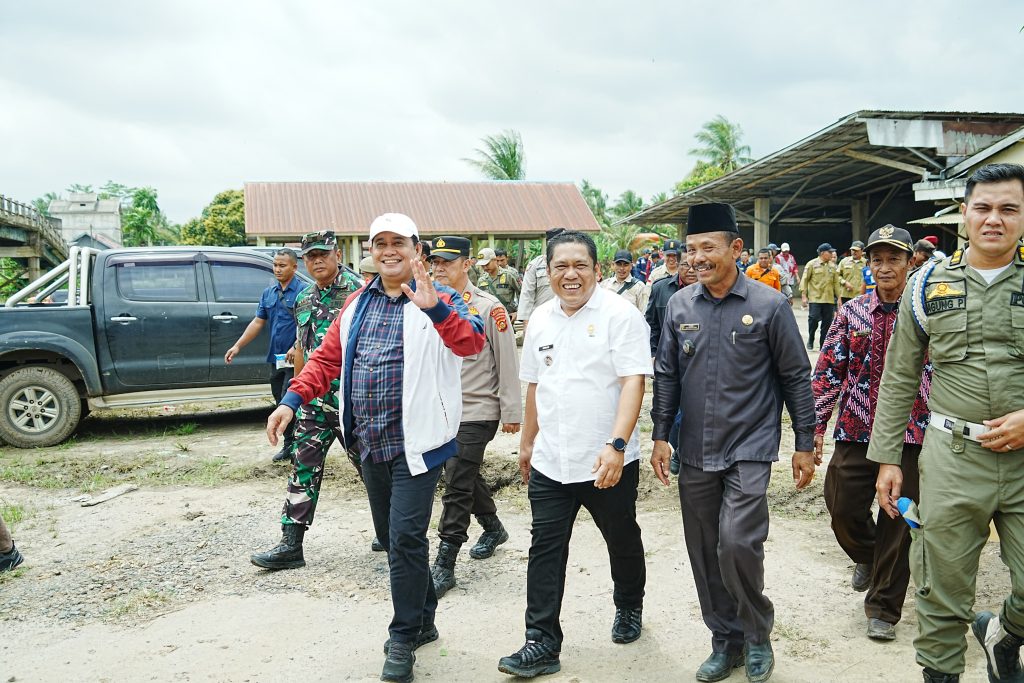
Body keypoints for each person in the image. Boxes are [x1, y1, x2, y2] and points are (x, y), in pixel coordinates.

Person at [266, 213, 485, 683]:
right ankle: (424, 618)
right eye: (379, 242)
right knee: (393, 538)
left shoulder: (441, 297)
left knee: (405, 538)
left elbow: (473, 345)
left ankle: (402, 637)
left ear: (416, 249)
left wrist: (436, 311)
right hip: (369, 442)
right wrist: (291, 399)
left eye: (398, 242)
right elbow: (326, 359)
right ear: (369, 249)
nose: (389, 250)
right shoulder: (356, 304)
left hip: (418, 444)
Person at [867, 163, 1024, 683]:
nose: (994, 219)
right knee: (941, 585)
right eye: (983, 207)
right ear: (964, 214)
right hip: (954, 459)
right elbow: (899, 376)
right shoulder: (926, 284)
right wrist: (888, 458)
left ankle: (1004, 632)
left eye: (1009, 209)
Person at [651, 202, 815, 683]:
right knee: (704, 549)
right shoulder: (681, 305)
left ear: (735, 249)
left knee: (737, 542)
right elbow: (666, 376)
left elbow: (796, 377)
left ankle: (757, 634)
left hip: (750, 444)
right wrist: (660, 436)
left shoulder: (769, 306)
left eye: (708, 248)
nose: (698, 258)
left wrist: (804, 443)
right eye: (691, 250)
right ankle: (725, 641)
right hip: (695, 449)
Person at [498, 231, 652, 679]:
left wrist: (617, 446)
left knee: (621, 536)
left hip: (607, 459)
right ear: (548, 272)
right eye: (560, 266)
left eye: (580, 265)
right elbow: (534, 386)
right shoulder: (541, 319)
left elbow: (632, 383)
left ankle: (629, 605)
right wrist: (527, 443)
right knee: (545, 548)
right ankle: (541, 641)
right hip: (551, 460)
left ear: (596, 270)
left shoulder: (620, 316)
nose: (570, 275)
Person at [812, 225, 930, 642]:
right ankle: (868, 554)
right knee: (841, 505)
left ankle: (883, 608)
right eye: (877, 259)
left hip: (912, 432)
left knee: (898, 519)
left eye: (893, 259)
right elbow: (828, 372)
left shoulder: (926, 311)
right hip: (857, 427)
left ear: (910, 262)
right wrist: (817, 426)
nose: (884, 267)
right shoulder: (852, 313)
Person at [250, 232, 365, 569]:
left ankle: (393, 538)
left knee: (372, 472)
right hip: (315, 403)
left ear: (337, 254)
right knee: (303, 468)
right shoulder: (303, 299)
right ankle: (291, 544)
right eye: (310, 256)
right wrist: (295, 398)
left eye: (323, 254)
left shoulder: (360, 295)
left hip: (351, 403)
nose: (317, 261)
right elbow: (303, 354)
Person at [427, 236, 522, 598]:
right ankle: (493, 526)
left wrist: (512, 410)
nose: (439, 269)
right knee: (462, 472)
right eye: (434, 262)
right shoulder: (427, 304)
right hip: (441, 409)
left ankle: (445, 562)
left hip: (477, 408)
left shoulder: (487, 306)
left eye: (447, 263)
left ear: (467, 265)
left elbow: (507, 361)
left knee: (456, 481)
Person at [224, 248, 302, 461]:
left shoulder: (304, 292)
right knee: (279, 399)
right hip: (275, 359)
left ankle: (299, 447)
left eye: (282, 265)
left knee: (290, 398)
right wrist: (238, 346)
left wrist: (297, 345)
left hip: (297, 360)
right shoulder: (269, 293)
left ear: (294, 267)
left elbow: (309, 324)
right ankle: (289, 445)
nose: (277, 269)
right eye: (275, 265)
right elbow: (258, 321)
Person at [518, 228, 565, 335]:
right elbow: (527, 294)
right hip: (542, 319)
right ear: (549, 244)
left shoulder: (571, 264)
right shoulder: (535, 265)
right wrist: (526, 323)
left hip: (567, 316)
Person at [801, 243, 841, 350]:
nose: (832, 254)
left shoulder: (833, 266)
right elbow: (804, 280)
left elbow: (836, 283)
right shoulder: (811, 264)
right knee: (813, 319)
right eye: (830, 252)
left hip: (829, 299)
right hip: (815, 298)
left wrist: (839, 298)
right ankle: (811, 338)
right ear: (823, 253)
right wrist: (804, 296)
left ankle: (823, 343)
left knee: (827, 323)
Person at [477, 246, 522, 321]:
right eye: (482, 265)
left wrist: (518, 312)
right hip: (488, 319)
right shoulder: (481, 280)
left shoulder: (509, 275)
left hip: (506, 319)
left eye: (487, 264)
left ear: (495, 260)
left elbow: (523, 293)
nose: (485, 268)